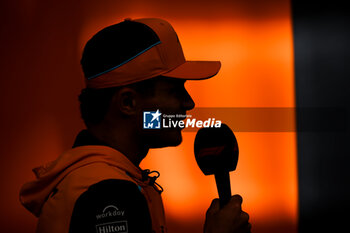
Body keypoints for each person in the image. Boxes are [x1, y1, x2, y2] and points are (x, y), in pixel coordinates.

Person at [20, 18, 251, 233]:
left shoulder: (93, 179)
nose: (189, 103)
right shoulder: (109, 194)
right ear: (128, 102)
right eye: (175, 90)